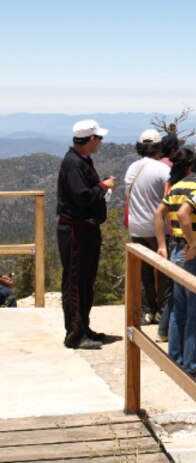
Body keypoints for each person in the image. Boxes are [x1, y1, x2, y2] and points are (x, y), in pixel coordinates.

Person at [154, 146, 196, 381]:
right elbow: (184, 214)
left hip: (174, 250)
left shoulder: (179, 185)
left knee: (178, 309)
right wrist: (192, 244)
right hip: (193, 253)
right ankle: (192, 366)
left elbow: (158, 212)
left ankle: (175, 360)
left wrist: (162, 245)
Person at [57, 119, 116, 350]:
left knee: (86, 281)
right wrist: (104, 186)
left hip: (86, 229)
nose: (100, 142)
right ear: (90, 139)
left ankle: (83, 327)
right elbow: (82, 196)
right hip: (75, 230)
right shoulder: (73, 163)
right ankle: (75, 335)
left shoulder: (82, 160)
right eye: (98, 138)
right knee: (75, 282)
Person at [124, 129, 170, 325]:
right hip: (158, 229)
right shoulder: (162, 170)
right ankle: (163, 312)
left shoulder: (132, 168)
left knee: (144, 273)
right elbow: (169, 199)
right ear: (159, 147)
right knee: (165, 273)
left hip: (136, 227)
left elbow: (128, 197)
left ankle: (146, 311)